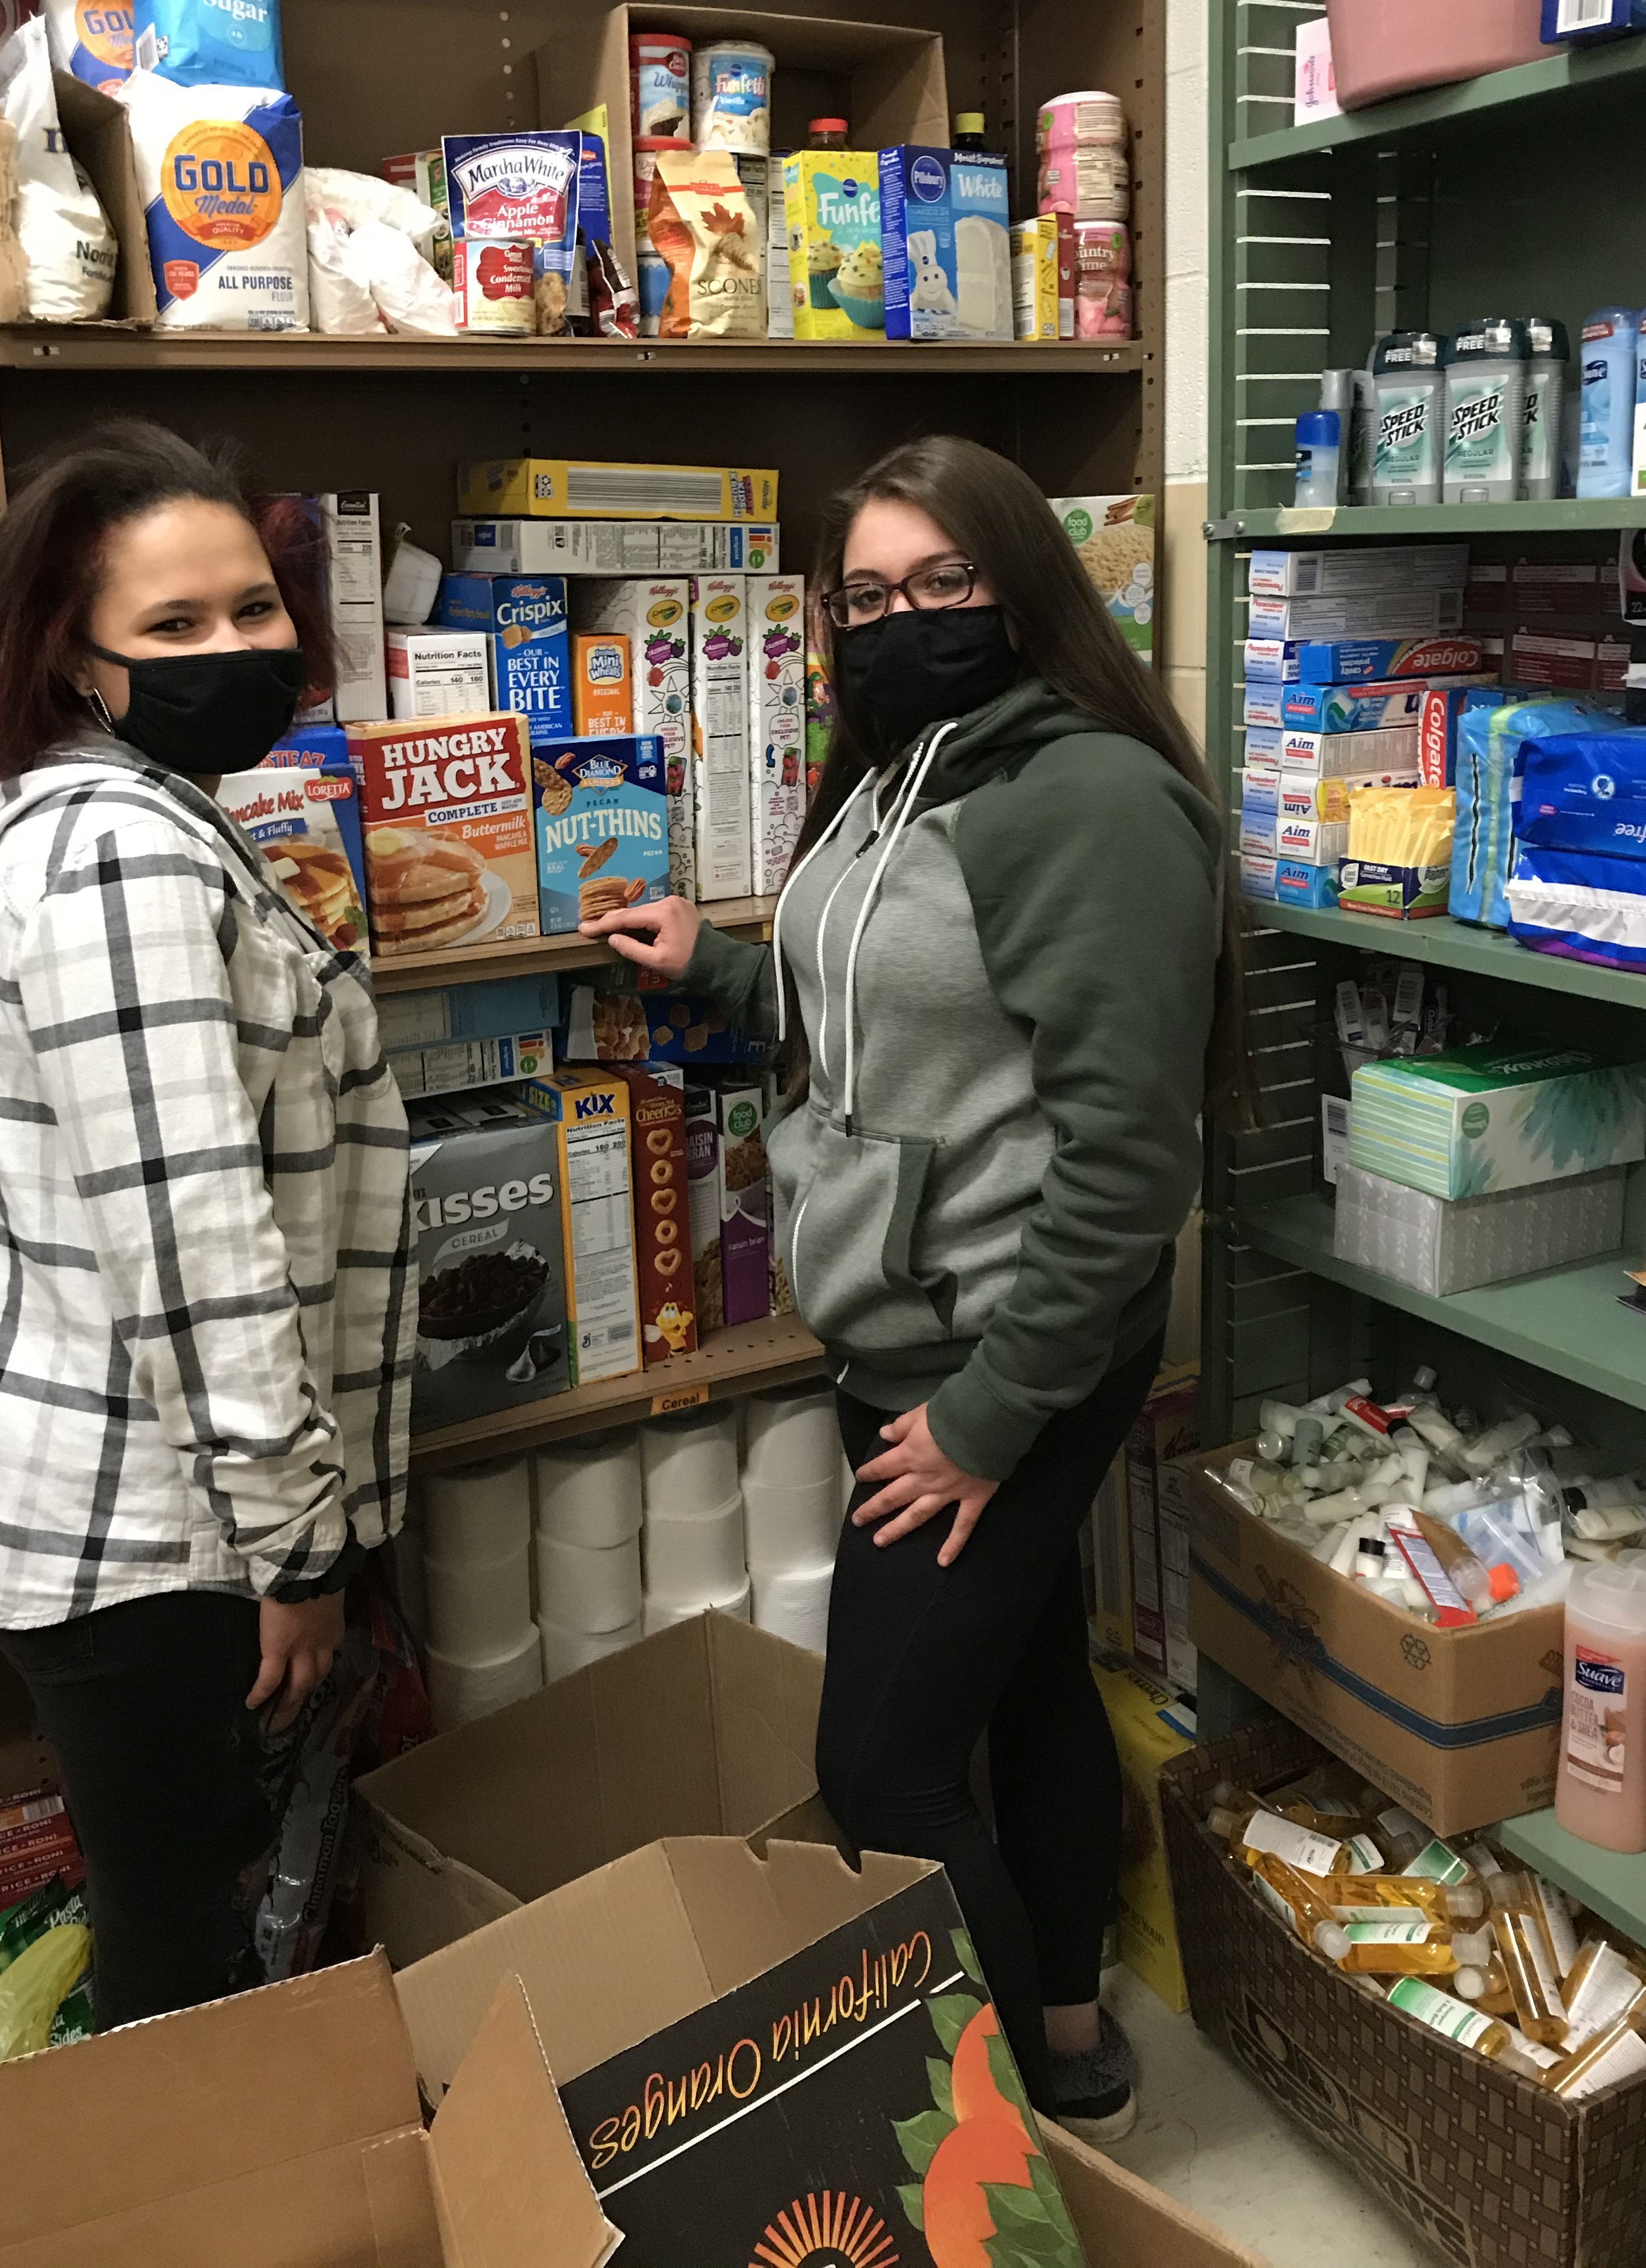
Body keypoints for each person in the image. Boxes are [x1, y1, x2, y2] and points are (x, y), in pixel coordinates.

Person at [580, 435, 1246, 2139]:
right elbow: (894, 1024)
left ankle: (999, 2138)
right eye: (866, 593)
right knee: (1017, 1674)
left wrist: (982, 1421)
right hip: (909, 1327)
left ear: (1022, 591)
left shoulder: (1084, 797)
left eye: (943, 585)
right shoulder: (897, 773)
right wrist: (724, 966)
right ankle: (1073, 2018)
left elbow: (1127, 1163)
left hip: (1000, 1352)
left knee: (879, 1766)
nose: (902, 619)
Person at [0, 421, 415, 2030]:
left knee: (182, 1909)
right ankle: (203, 2189)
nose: (234, 650)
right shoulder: (122, 855)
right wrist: (298, 1549)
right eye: (174, 629)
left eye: (254, 610)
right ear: (77, 657)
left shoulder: (117, 814)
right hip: (157, 1535)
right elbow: (197, 1250)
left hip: (127, 1508)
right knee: (181, 1951)